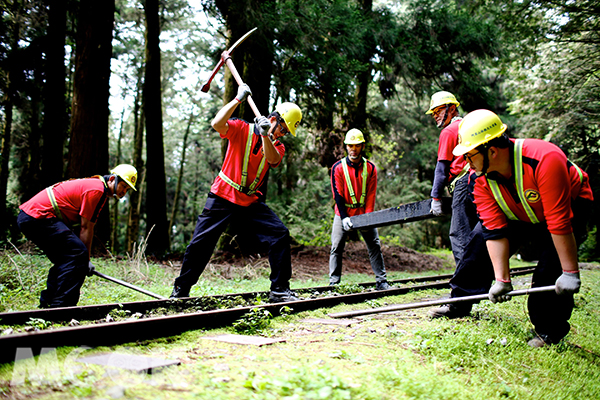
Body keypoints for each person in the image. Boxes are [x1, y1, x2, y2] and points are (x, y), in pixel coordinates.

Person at [450, 109, 594, 347]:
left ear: (492, 151)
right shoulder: (478, 178)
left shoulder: (544, 159)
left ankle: (549, 331)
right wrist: (502, 280)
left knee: (549, 269)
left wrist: (570, 273)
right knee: (477, 244)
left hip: (569, 207)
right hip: (519, 209)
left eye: (469, 155)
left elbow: (558, 221)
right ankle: (459, 303)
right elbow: (493, 230)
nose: (466, 162)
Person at [170, 83, 302, 303]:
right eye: (283, 128)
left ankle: (279, 289)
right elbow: (216, 124)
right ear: (273, 119)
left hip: (249, 201)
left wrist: (266, 136)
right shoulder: (241, 129)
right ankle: (181, 289)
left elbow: (272, 159)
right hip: (223, 194)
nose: (283, 134)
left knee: (279, 233)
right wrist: (237, 99)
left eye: (286, 132)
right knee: (200, 244)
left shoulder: (276, 145)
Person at [17, 164, 138, 308]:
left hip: (30, 217)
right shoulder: (97, 190)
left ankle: (49, 303)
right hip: (39, 216)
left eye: (127, 189)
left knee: (66, 259)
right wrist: (85, 259)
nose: (124, 191)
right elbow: (86, 228)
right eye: (123, 186)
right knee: (77, 254)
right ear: (112, 179)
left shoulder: (96, 187)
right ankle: (62, 307)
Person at [328, 128, 390, 290]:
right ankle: (333, 283)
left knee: (374, 244)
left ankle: (381, 281)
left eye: (356, 146)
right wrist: (344, 217)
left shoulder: (370, 168)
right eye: (350, 146)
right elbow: (338, 195)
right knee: (336, 246)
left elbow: (371, 194)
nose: (353, 149)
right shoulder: (337, 168)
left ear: (362, 146)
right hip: (343, 213)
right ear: (346, 147)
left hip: (363, 212)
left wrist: (368, 218)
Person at [426, 91, 478, 266]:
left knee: (459, 234)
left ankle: (467, 286)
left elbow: (441, 169)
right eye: (433, 113)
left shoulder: (449, 131)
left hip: (463, 184)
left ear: (452, 108)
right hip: (479, 182)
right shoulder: (471, 126)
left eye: (438, 111)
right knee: (477, 232)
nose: (435, 116)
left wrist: (436, 198)